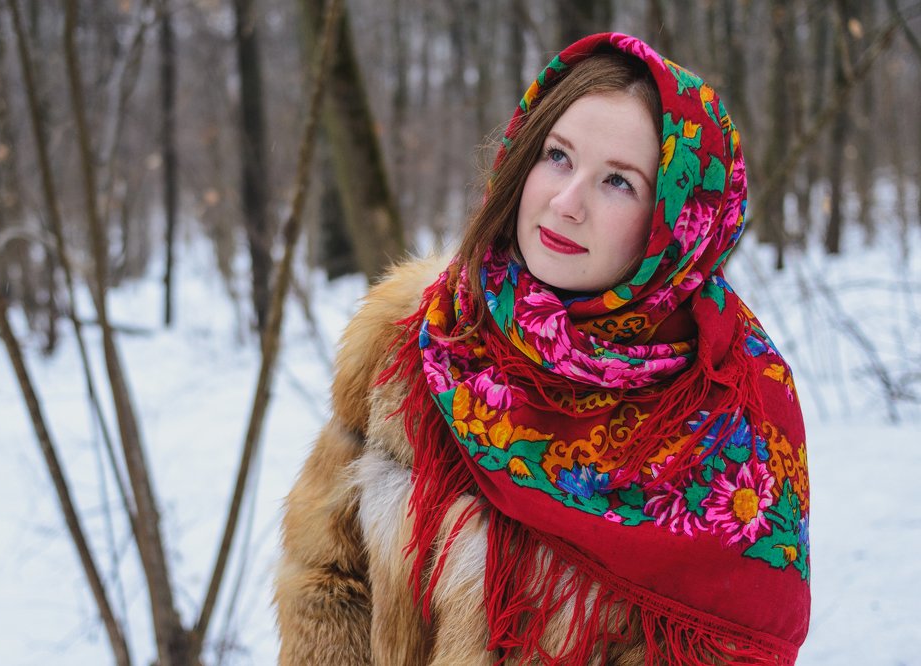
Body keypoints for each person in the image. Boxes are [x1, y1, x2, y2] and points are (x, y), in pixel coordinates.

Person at [274, 32, 810, 665]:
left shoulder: (729, 419)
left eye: (618, 181)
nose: (566, 202)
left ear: (676, 224)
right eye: (558, 156)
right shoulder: (418, 336)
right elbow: (328, 577)